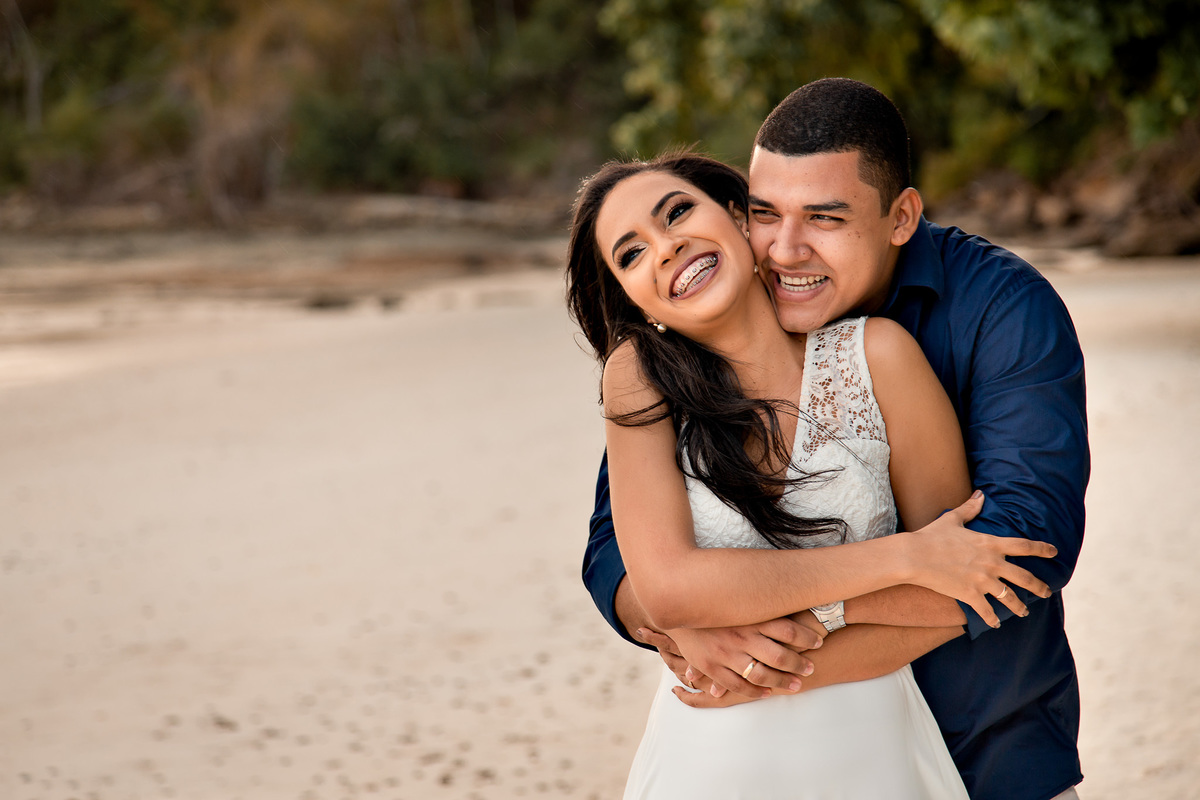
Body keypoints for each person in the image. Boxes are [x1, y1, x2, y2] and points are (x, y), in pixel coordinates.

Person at [582, 79, 1089, 800]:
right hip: (720, 754)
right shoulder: (660, 373)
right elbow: (624, 556)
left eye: (824, 216)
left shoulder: (997, 312)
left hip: (984, 737)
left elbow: (1009, 553)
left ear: (901, 216)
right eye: (767, 214)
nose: (786, 249)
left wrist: (760, 658)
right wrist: (683, 627)